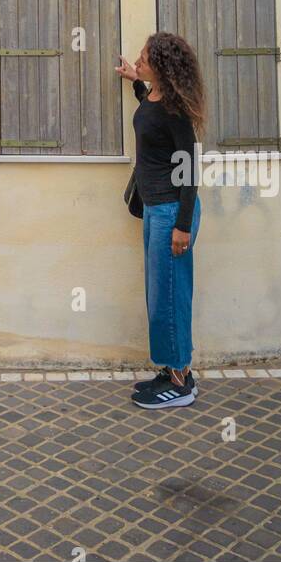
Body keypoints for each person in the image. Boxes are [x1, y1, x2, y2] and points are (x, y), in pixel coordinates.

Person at [117, 33, 205, 409]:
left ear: (163, 66)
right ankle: (171, 369)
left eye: (145, 58)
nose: (140, 59)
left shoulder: (176, 111)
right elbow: (147, 118)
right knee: (159, 295)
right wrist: (135, 81)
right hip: (155, 209)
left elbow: (189, 169)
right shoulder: (154, 98)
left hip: (172, 212)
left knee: (170, 297)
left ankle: (181, 384)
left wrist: (183, 225)